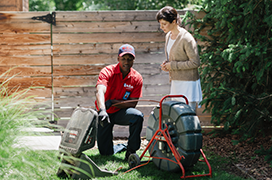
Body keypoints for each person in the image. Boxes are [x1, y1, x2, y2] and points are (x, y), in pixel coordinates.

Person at [95, 44, 144, 160]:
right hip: (104, 114)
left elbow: (133, 103)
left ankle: (131, 151)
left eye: (129, 59)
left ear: (133, 60)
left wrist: (112, 101)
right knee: (105, 153)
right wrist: (102, 110)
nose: (126, 62)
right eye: (123, 59)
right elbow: (100, 91)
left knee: (137, 116)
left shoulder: (137, 78)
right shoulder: (107, 71)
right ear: (118, 59)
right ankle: (121, 146)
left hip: (120, 112)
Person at [156, 6, 202, 111]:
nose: (161, 27)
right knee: (177, 118)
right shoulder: (168, 36)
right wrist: (166, 64)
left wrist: (172, 65)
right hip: (176, 83)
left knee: (188, 118)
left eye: (164, 24)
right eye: (160, 24)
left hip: (188, 84)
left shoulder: (186, 38)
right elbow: (175, 57)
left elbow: (195, 63)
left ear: (174, 21)